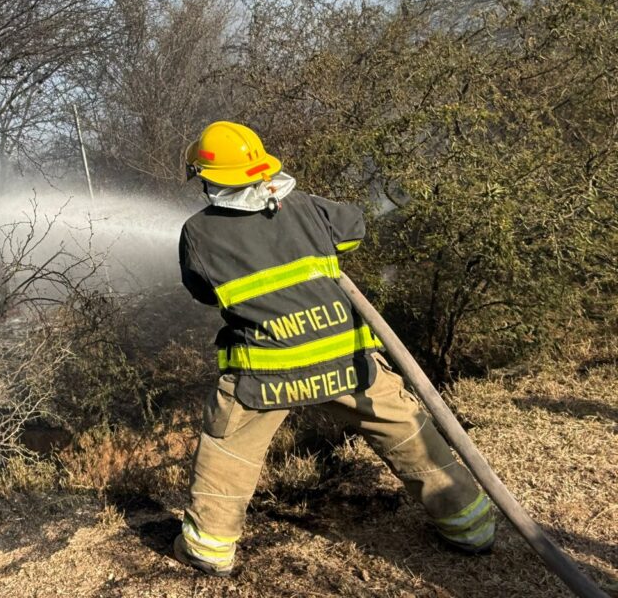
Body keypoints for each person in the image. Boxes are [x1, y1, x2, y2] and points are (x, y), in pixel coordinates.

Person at [174, 120, 494, 577]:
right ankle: (472, 528)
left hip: (266, 373)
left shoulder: (198, 234)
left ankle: (209, 548)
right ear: (261, 170)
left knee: (227, 450)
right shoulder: (304, 206)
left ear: (210, 180)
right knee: (410, 434)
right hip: (346, 362)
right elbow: (354, 228)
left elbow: (204, 290)